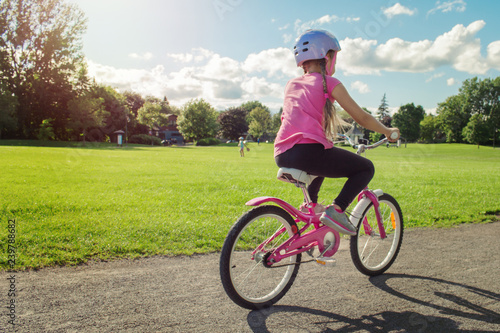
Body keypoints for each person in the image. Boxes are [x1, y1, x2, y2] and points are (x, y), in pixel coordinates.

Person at [274, 29, 400, 236]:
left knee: (322, 158)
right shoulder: (330, 83)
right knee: (366, 168)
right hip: (307, 152)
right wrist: (387, 131)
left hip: (282, 153)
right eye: (335, 56)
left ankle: (311, 208)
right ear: (327, 56)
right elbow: (362, 118)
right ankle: (337, 210)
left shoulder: (292, 84)